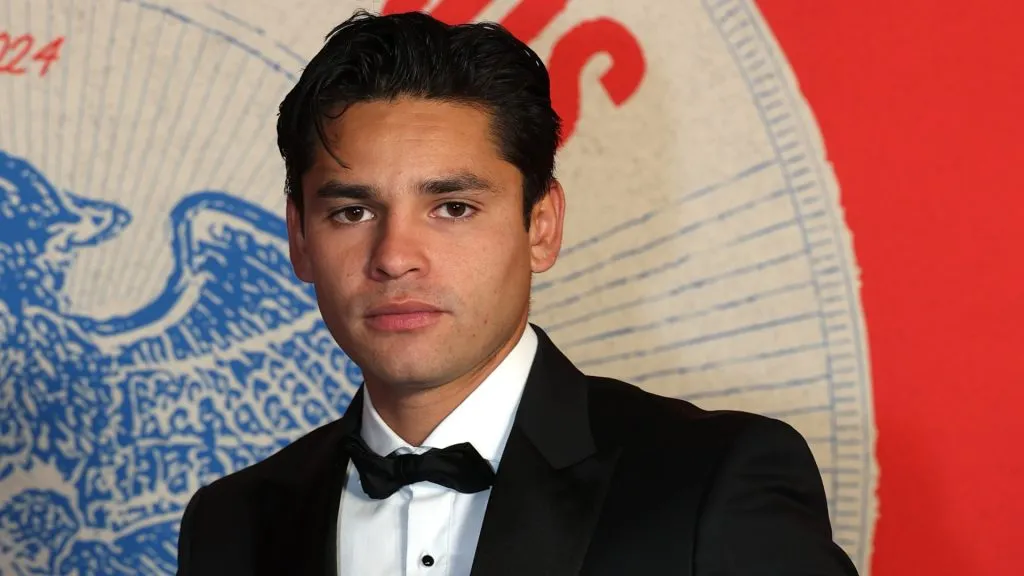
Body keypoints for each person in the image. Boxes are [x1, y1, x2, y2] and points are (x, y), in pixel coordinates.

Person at [175, 9, 859, 576]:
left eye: (453, 208)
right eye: (352, 212)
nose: (394, 258)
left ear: (541, 225)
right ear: (299, 238)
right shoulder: (232, 526)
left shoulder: (711, 483)